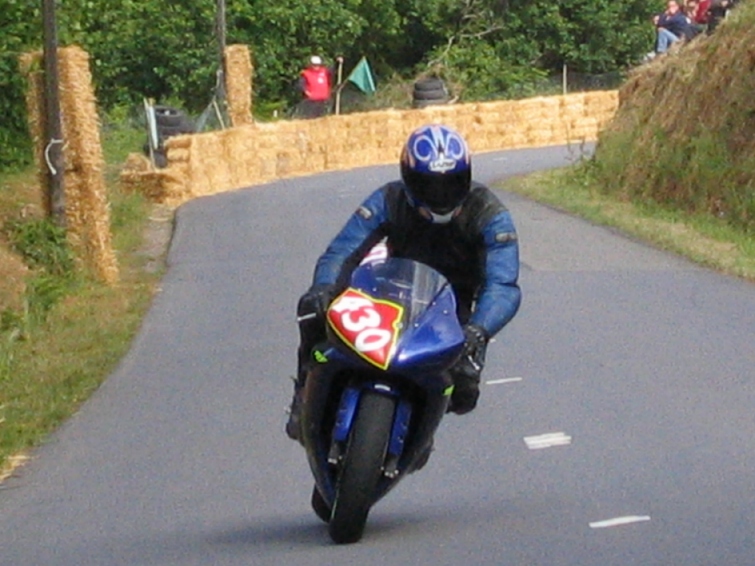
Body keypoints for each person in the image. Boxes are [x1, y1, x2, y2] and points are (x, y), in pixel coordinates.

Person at [286, 124, 522, 440]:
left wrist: (478, 331)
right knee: (313, 309)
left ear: (466, 177)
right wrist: (324, 288)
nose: (441, 195)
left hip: (452, 312)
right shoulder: (388, 199)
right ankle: (305, 391)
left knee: (464, 392)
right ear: (409, 178)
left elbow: (503, 284)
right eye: (429, 185)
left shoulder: (490, 214)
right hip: (388, 294)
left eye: (451, 183)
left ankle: (421, 432)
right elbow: (343, 250)